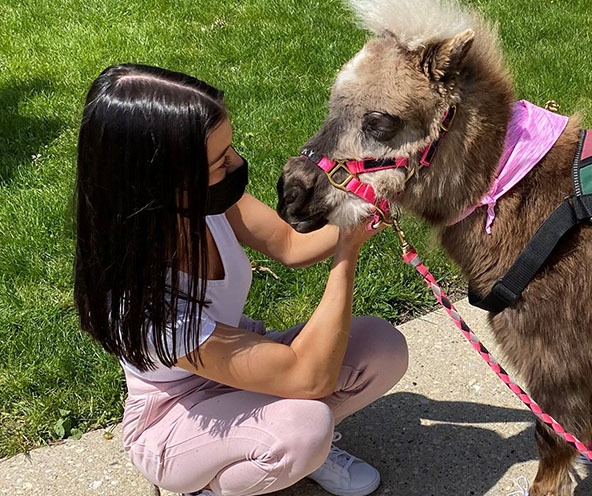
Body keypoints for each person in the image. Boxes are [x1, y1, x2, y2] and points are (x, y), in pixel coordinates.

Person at [73, 63, 409, 496]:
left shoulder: (200, 201)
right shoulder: (143, 305)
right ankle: (215, 483)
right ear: (162, 181)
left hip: (236, 363)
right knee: (304, 428)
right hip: (174, 414)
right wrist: (347, 254)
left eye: (229, 149)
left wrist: (360, 208)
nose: (237, 163)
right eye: (220, 160)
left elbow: (290, 244)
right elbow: (310, 377)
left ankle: (286, 447)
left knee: (382, 348)